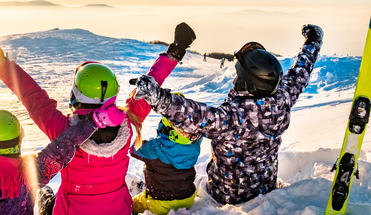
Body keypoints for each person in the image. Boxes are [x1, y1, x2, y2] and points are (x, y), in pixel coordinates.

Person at [0, 19, 196, 215]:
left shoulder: (63, 130)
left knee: (46, 198)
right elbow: (150, 86)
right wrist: (175, 51)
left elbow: (31, 95)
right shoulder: (129, 122)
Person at [130, 25, 323, 205]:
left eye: (238, 76)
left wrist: (158, 97)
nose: (235, 79)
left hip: (226, 196)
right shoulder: (282, 99)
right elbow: (300, 73)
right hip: (266, 187)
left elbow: (193, 115)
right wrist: (312, 42)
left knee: (196, 188)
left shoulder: (233, 118)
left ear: (246, 83)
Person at [131, 94, 202, 215]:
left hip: (160, 203)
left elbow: (133, 148)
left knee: (132, 204)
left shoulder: (155, 148)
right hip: (188, 198)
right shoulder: (194, 146)